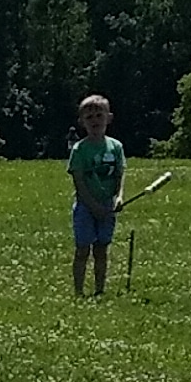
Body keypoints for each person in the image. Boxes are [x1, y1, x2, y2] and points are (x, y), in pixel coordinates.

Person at [68, 95, 125, 297]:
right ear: (82, 122)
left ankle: (99, 291)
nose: (94, 120)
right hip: (86, 207)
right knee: (83, 249)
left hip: (107, 207)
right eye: (89, 116)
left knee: (101, 250)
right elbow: (80, 182)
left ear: (108, 118)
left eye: (99, 115)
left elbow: (119, 175)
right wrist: (93, 207)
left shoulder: (116, 147)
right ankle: (79, 292)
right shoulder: (79, 150)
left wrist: (118, 198)